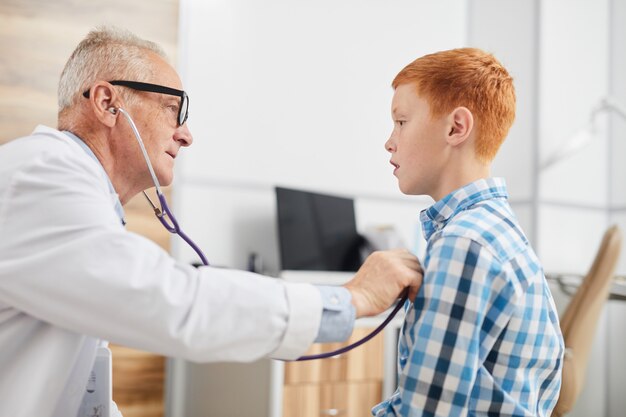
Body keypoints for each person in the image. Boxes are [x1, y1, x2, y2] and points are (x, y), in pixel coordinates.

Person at [0, 27, 422, 417]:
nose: (186, 134)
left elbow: (83, 385)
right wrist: (349, 300)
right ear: (109, 103)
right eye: (173, 108)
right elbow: (170, 300)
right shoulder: (41, 172)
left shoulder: (75, 196)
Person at [372, 48, 564, 417]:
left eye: (401, 121)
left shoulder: (464, 243)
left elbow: (427, 412)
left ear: (456, 128)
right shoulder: (493, 229)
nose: (389, 141)